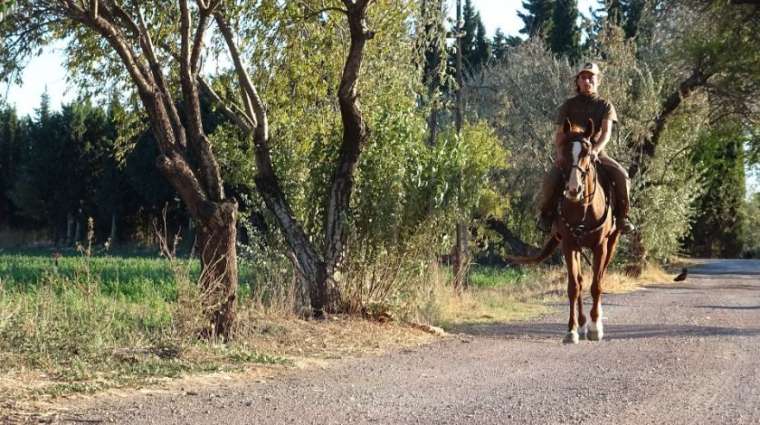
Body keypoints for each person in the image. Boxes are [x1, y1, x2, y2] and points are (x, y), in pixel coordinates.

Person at [537, 62, 635, 234]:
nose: (587, 80)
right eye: (583, 77)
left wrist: (596, 150)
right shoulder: (568, 105)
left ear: (598, 80)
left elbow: (606, 133)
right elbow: (560, 134)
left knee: (622, 176)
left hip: (596, 153)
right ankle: (546, 216)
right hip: (571, 155)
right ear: (578, 81)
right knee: (550, 180)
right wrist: (560, 154)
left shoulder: (605, 106)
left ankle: (622, 217)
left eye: (591, 77)